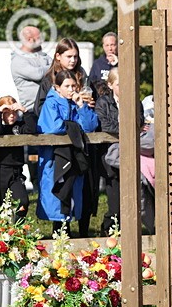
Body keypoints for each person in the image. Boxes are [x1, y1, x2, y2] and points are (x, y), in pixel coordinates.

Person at [36, 70, 99, 231]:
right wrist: (74, 127)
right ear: (57, 87)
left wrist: (81, 106)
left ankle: (67, 236)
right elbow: (54, 126)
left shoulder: (74, 103)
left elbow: (90, 126)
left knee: (71, 194)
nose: (71, 89)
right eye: (67, 86)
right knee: (58, 194)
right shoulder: (51, 103)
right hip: (54, 159)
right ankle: (59, 237)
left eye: (73, 86)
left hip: (74, 158)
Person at [0, 95, 36, 218]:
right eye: (7, 113)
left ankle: (17, 229)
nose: (12, 115)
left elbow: (32, 129)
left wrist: (25, 111)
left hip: (16, 172)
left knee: (23, 201)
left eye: (14, 112)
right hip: (0, 171)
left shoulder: (19, 127)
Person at [94, 69, 120, 235]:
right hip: (109, 153)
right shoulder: (103, 102)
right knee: (114, 192)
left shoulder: (134, 100)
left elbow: (139, 120)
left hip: (129, 151)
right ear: (110, 85)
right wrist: (127, 127)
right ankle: (110, 225)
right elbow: (105, 125)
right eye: (119, 84)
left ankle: (118, 225)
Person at [10, 25, 51, 112]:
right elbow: (38, 74)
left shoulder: (43, 55)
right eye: (39, 38)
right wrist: (52, 68)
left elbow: (57, 67)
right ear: (30, 40)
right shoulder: (18, 60)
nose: (42, 41)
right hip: (32, 111)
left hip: (48, 107)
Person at [37, 38, 88, 104]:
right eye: (69, 56)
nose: (73, 60)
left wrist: (87, 104)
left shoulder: (82, 76)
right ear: (58, 56)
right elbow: (40, 108)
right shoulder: (49, 79)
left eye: (75, 56)